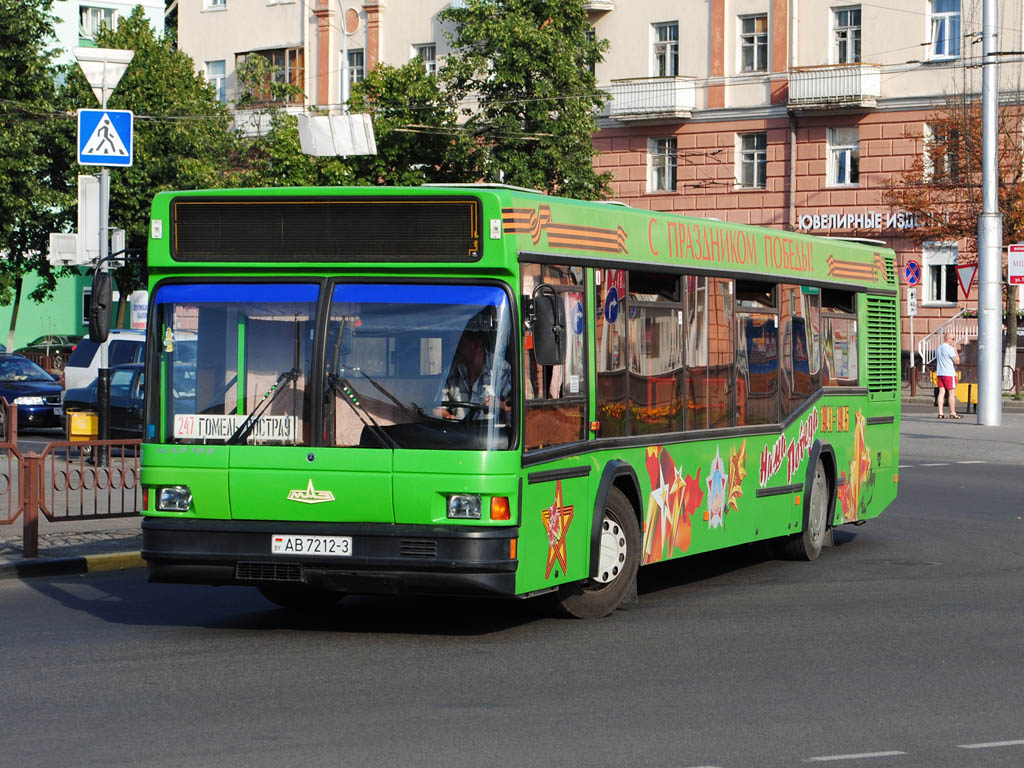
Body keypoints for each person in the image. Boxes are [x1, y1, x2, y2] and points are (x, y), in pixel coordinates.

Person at [437, 331, 511, 421]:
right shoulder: (450, 371)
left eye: (459, 344)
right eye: (452, 345)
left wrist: (501, 405)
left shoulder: (500, 369)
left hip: (491, 433)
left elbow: (517, 405)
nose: (455, 349)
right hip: (457, 432)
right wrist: (447, 416)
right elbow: (438, 409)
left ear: (475, 343)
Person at [935, 330, 961, 419]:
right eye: (953, 339)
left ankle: (940, 413)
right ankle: (953, 413)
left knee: (941, 392)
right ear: (948, 339)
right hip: (949, 373)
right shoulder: (949, 348)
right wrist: (955, 350)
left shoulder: (938, 348)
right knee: (951, 393)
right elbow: (957, 361)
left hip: (940, 372)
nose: (954, 340)